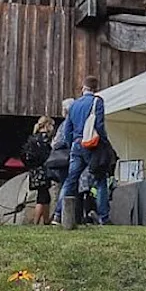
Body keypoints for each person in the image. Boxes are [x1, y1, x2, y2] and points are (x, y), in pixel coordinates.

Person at [59, 77, 112, 225]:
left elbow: (67, 129)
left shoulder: (74, 104)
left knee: (71, 180)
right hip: (92, 144)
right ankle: (103, 217)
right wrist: (105, 143)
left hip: (76, 144)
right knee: (100, 180)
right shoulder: (97, 102)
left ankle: (58, 214)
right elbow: (99, 125)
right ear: (96, 87)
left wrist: (72, 145)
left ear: (83, 87)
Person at [23, 116, 56, 225]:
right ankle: (37, 221)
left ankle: (45, 221)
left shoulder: (32, 138)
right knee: (42, 197)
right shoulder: (45, 139)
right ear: (47, 125)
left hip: (34, 170)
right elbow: (48, 155)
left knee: (44, 196)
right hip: (43, 170)